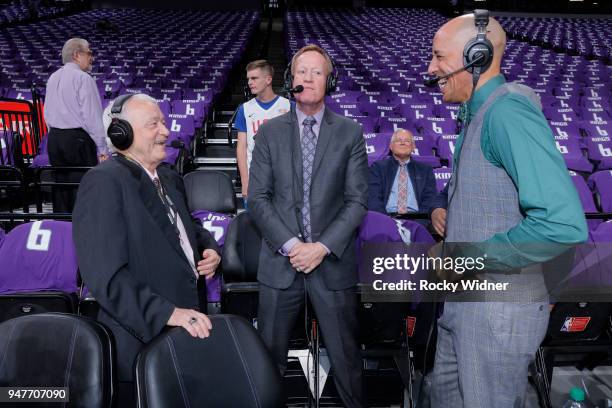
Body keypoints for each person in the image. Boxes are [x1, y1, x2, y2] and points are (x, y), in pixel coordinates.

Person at [426, 11, 587, 407]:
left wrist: (467, 256)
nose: (431, 68)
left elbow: (562, 225)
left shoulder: (508, 113)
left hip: (495, 313)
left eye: (439, 56)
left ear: (476, 56)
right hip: (466, 305)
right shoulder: (480, 113)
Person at [72, 93, 221, 407]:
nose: (165, 131)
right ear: (120, 134)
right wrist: (167, 313)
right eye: (154, 124)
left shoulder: (169, 177)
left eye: (164, 123)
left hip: (185, 332)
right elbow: (106, 277)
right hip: (139, 341)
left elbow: (185, 229)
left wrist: (207, 249)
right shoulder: (103, 182)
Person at [249, 45, 368, 408]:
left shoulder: (350, 133)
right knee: (268, 362)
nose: (309, 79)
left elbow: (357, 202)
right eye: (302, 72)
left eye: (317, 72)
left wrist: (320, 247)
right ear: (290, 79)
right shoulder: (269, 133)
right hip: (279, 265)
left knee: (347, 362)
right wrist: (291, 245)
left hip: (331, 264)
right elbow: (257, 199)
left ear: (329, 81)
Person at [44, 38, 109, 212]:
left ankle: (61, 231)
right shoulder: (83, 78)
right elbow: (92, 116)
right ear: (76, 55)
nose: (92, 58)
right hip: (76, 140)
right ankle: (83, 233)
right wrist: (102, 149)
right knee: (83, 189)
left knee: (61, 189)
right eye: (89, 53)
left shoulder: (53, 77)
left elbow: (47, 112)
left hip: (54, 139)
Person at [234, 60, 290, 203]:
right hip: (256, 177)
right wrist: (245, 182)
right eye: (248, 79)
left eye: (254, 78)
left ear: (268, 79)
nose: (250, 82)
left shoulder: (289, 106)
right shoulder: (244, 109)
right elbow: (242, 147)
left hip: (284, 179)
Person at [367, 128, 437, 216]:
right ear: (391, 146)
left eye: (407, 141)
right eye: (398, 140)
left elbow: (430, 200)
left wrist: (420, 220)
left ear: (413, 146)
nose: (402, 143)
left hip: (417, 219)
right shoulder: (377, 168)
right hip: (387, 218)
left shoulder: (426, 170)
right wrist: (384, 221)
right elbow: (374, 199)